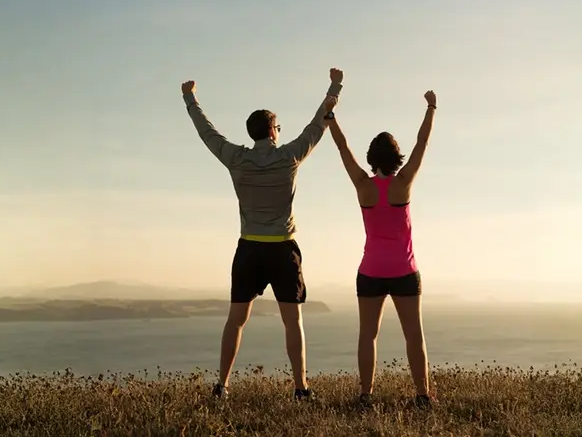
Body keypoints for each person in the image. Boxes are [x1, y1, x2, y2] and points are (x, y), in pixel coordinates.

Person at [181, 68, 342, 401]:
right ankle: (301, 388)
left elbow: (206, 133)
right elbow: (319, 124)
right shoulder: (289, 157)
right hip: (283, 250)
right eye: (279, 127)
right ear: (272, 130)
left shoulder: (236, 159)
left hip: (249, 249)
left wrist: (190, 97)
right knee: (292, 321)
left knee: (236, 321)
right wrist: (335, 85)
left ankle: (222, 386)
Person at [326, 89, 438, 407]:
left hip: (371, 271)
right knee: (414, 336)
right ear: (396, 157)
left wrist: (331, 118)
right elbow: (422, 143)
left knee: (368, 335)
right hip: (404, 271)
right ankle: (422, 397)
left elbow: (342, 148)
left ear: (372, 158)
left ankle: (366, 395)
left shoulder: (363, 186)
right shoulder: (403, 184)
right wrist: (431, 107)